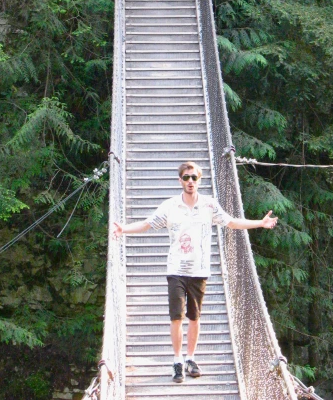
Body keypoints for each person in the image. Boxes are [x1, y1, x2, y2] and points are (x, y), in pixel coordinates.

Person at [113, 160, 278, 383]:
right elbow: (147, 224)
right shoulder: (170, 206)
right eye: (186, 177)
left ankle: (191, 358)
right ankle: (177, 361)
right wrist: (124, 229)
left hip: (200, 270)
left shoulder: (209, 205)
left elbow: (230, 223)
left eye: (194, 177)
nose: (190, 181)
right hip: (176, 270)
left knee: (194, 318)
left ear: (199, 180)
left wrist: (259, 223)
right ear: (180, 180)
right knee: (176, 317)